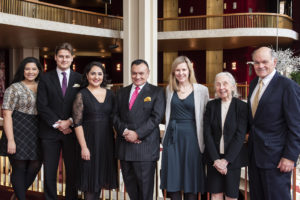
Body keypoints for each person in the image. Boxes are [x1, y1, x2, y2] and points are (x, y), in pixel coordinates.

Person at [248, 46, 300, 200]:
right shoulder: (253, 84)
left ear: (274, 62)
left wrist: (290, 156)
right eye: (256, 62)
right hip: (255, 155)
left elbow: (296, 125)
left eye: (264, 62)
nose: (260, 66)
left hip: (277, 159)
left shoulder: (288, 86)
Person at [113, 59, 165, 200]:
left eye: (141, 73)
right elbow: (114, 115)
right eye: (134, 73)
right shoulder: (121, 92)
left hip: (145, 149)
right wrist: (125, 132)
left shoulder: (157, 92)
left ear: (148, 73)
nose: (137, 76)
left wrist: (137, 134)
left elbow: (156, 118)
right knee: (131, 190)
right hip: (125, 147)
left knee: (145, 192)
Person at [37, 43, 81, 200]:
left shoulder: (80, 78)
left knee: (72, 170)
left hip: (72, 132)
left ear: (72, 58)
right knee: (49, 171)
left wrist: (69, 122)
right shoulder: (44, 78)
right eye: (61, 56)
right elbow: (42, 105)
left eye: (67, 56)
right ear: (55, 57)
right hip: (49, 132)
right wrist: (58, 124)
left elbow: (81, 105)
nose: (64, 59)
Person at [160, 56, 209, 200]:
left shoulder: (202, 90)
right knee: (173, 177)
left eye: (183, 70)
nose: (181, 73)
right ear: (173, 72)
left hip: (193, 137)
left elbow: (206, 117)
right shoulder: (169, 89)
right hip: (172, 137)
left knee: (191, 177)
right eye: (177, 70)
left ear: (189, 71)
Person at [73, 62, 118, 200]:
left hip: (106, 143)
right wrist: (84, 147)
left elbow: (115, 119)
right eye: (93, 73)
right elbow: (77, 123)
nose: (96, 77)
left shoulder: (110, 94)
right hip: (89, 143)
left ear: (103, 76)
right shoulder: (81, 94)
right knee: (90, 184)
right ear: (87, 75)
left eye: (99, 74)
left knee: (99, 182)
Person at [0, 57, 43, 200]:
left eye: (34, 69)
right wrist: (11, 140)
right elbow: (6, 115)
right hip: (17, 129)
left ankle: (17, 195)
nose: (31, 72)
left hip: (36, 130)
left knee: (35, 165)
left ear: (39, 70)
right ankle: (20, 197)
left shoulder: (43, 86)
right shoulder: (14, 88)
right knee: (19, 167)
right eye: (27, 69)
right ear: (22, 70)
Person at [204, 72, 248, 200]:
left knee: (231, 195)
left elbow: (240, 135)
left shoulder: (241, 106)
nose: (221, 87)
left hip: (233, 159)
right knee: (215, 194)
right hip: (214, 158)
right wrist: (216, 160)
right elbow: (207, 133)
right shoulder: (211, 105)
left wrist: (226, 160)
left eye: (225, 83)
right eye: (218, 84)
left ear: (233, 86)